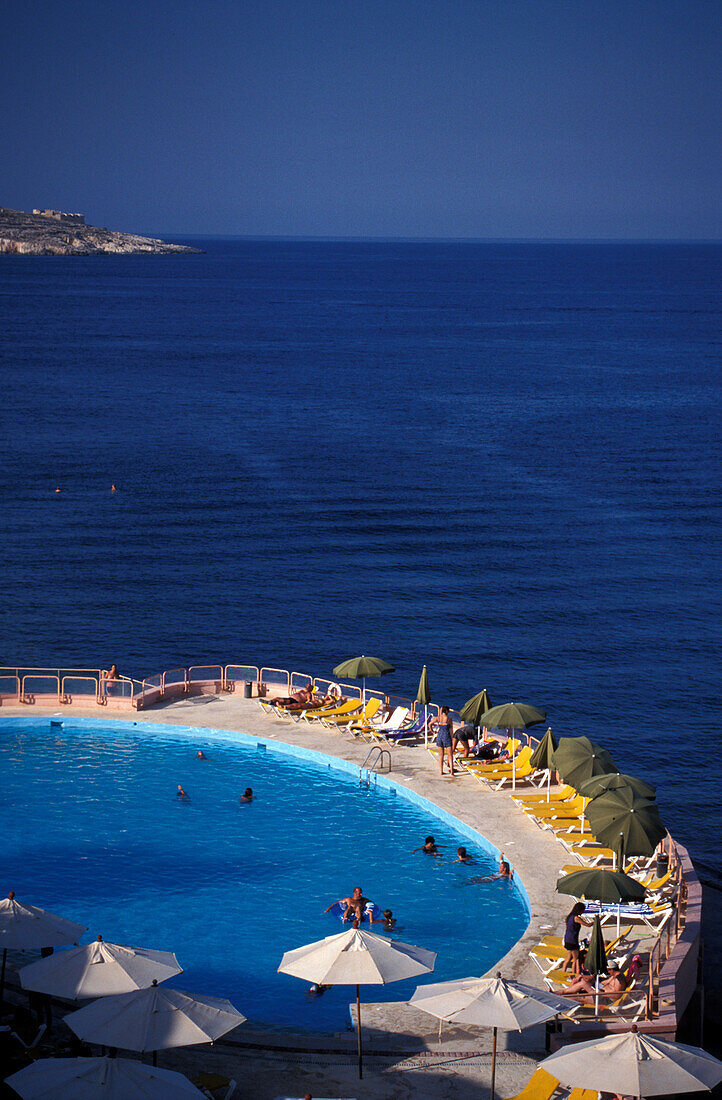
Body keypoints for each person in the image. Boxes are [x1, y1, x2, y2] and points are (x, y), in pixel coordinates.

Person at [562, 902, 592, 976]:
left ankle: (562, 973)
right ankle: (574, 975)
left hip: (567, 939)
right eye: (582, 910)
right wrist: (598, 920)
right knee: (576, 960)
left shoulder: (569, 917)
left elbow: (567, 928)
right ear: (579, 910)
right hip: (573, 941)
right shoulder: (576, 918)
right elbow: (588, 925)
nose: (582, 912)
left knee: (568, 958)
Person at [430, 707, 455, 776]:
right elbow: (451, 730)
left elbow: (430, 724)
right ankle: (452, 772)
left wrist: (433, 731)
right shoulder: (449, 719)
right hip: (446, 736)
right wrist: (452, 738)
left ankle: (441, 771)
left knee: (441, 755)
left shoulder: (438, 718)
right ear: (446, 711)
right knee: (450, 755)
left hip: (439, 736)